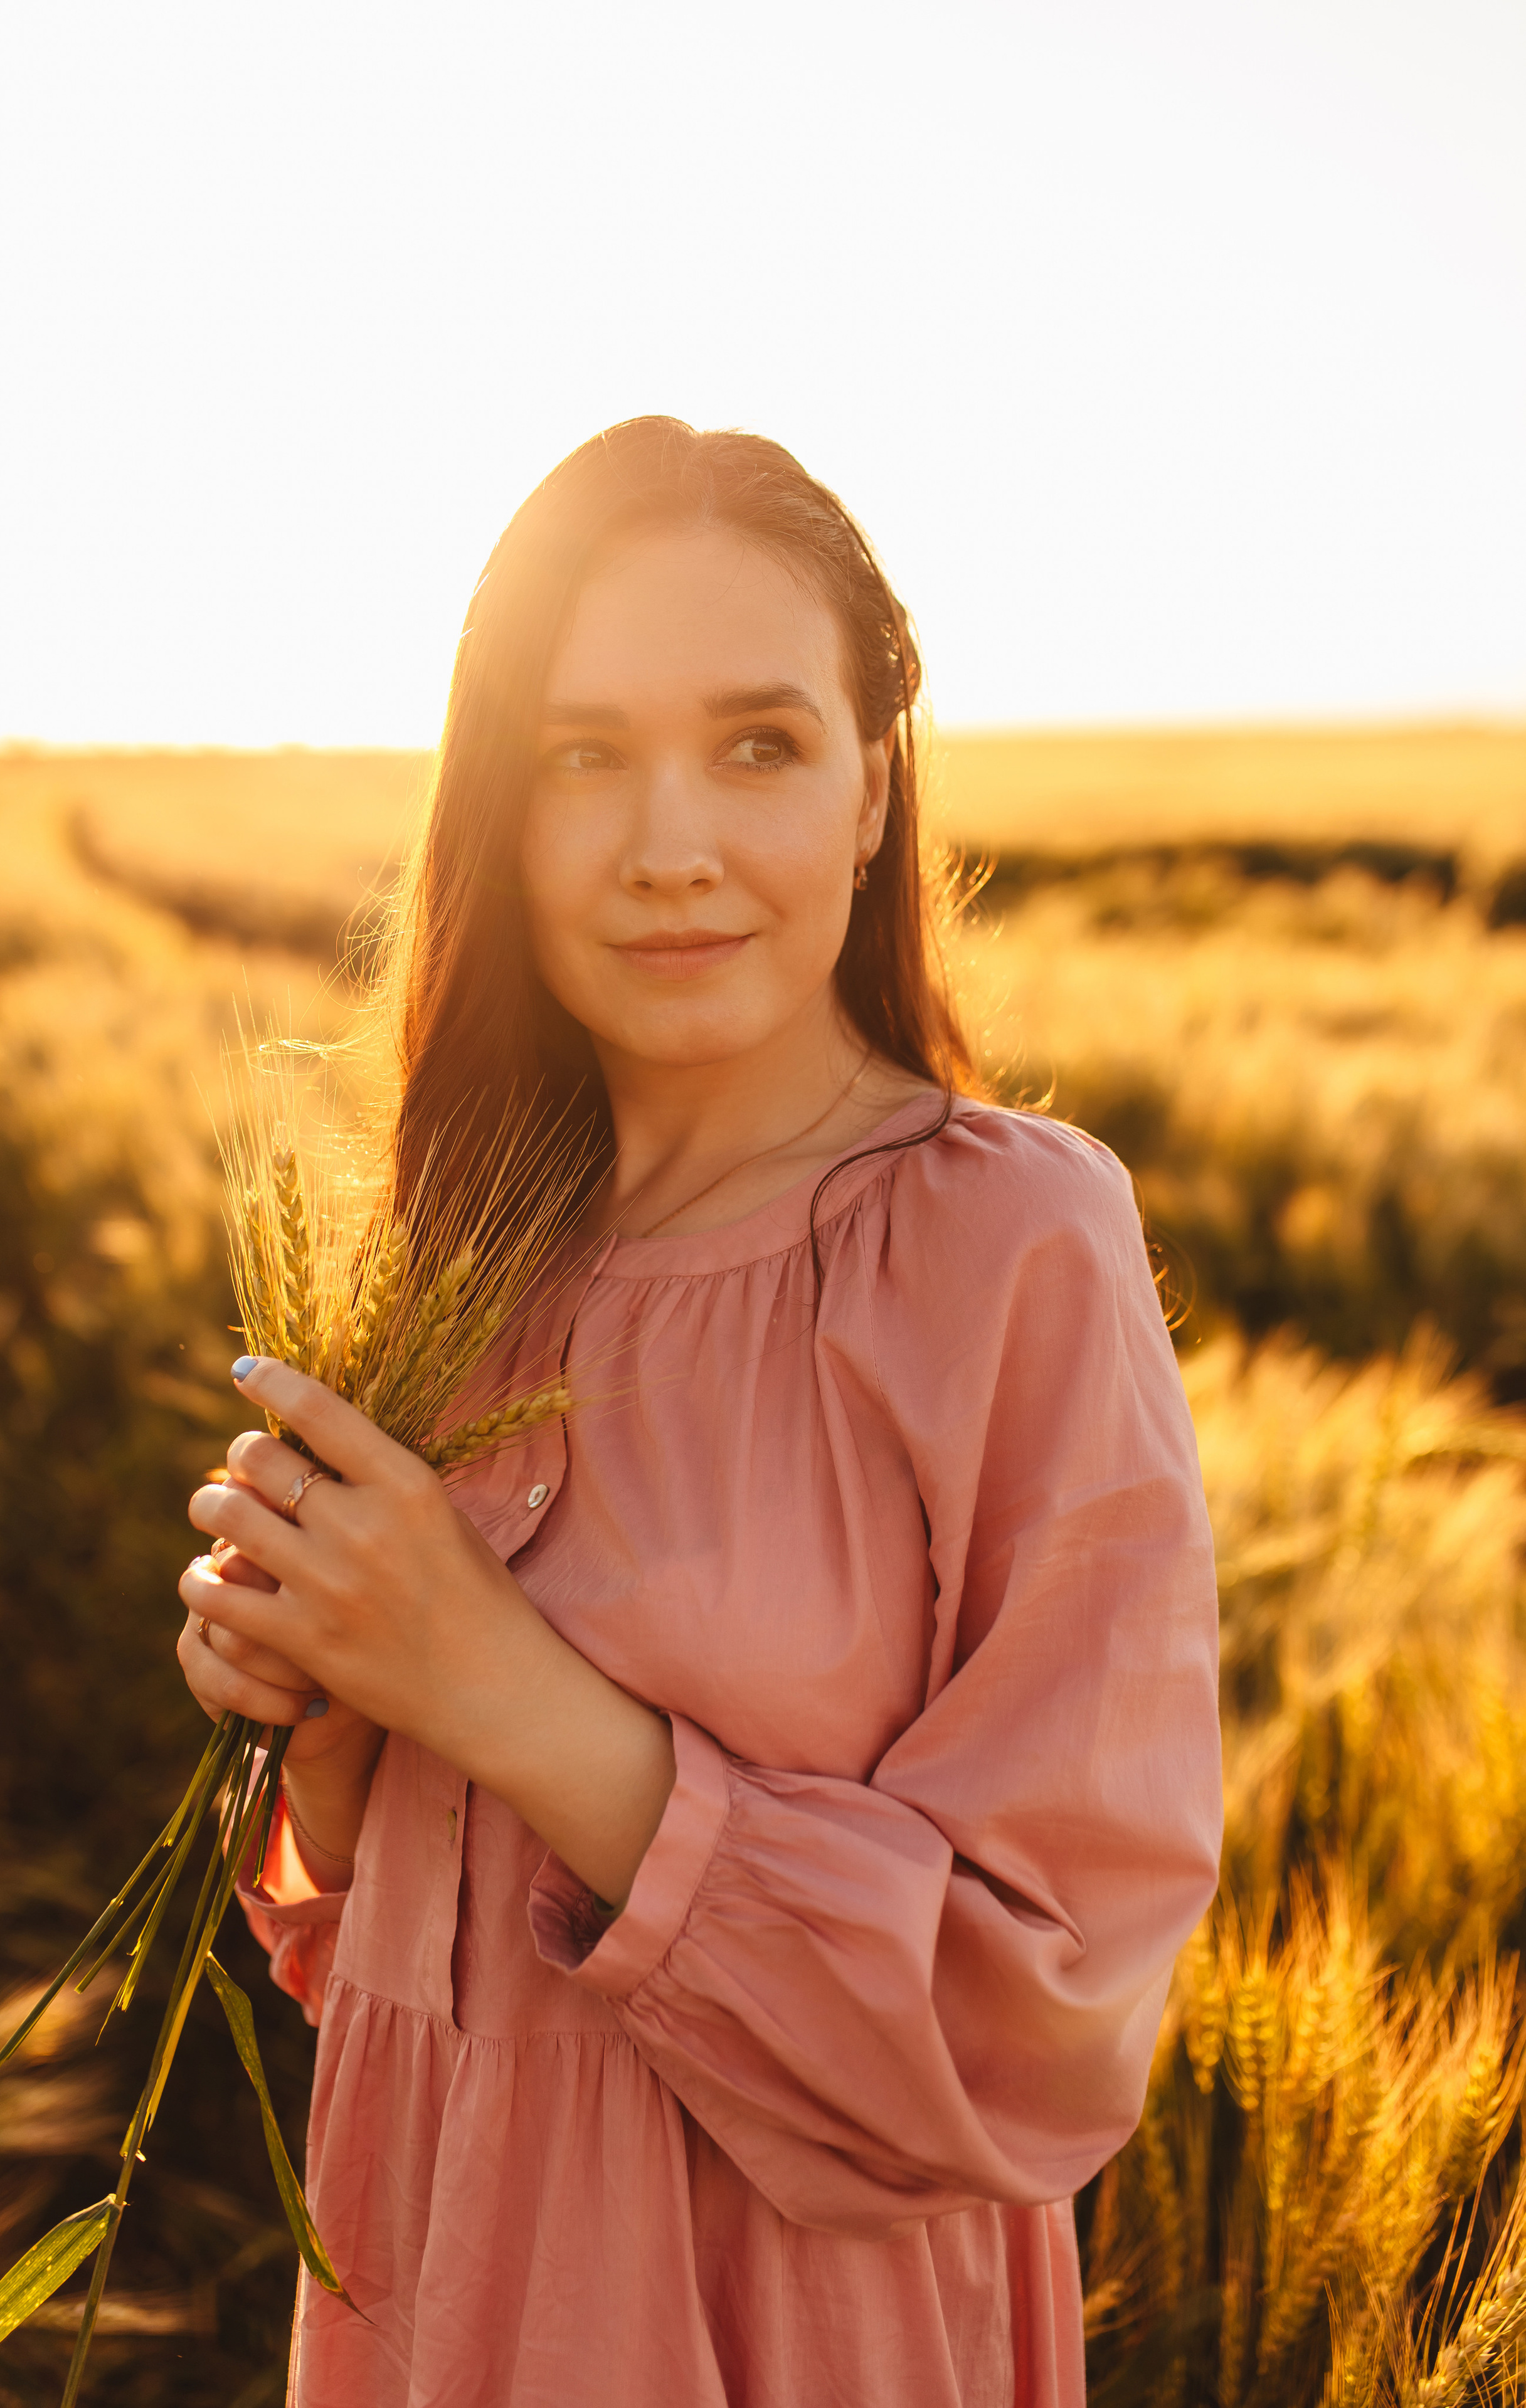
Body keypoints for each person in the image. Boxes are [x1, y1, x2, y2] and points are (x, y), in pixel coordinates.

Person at [178, 418, 1222, 2408]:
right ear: (501, 808)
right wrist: (313, 1719)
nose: (672, 842)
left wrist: (500, 1690)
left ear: (869, 795)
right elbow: (381, 1964)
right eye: (585, 755)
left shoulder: (1006, 1242)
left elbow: (1053, 2008)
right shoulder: (453, 1259)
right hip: (435, 2301)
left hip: (798, 2340)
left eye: (759, 744)